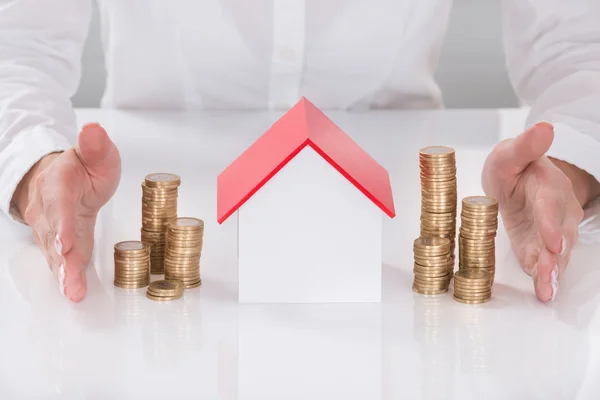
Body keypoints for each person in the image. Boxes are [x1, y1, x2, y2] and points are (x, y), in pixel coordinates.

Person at [1, 1, 599, 303]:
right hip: (129, 196)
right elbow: (16, 44)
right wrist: (37, 167)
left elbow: (577, 44)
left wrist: (566, 164)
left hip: (393, 259)